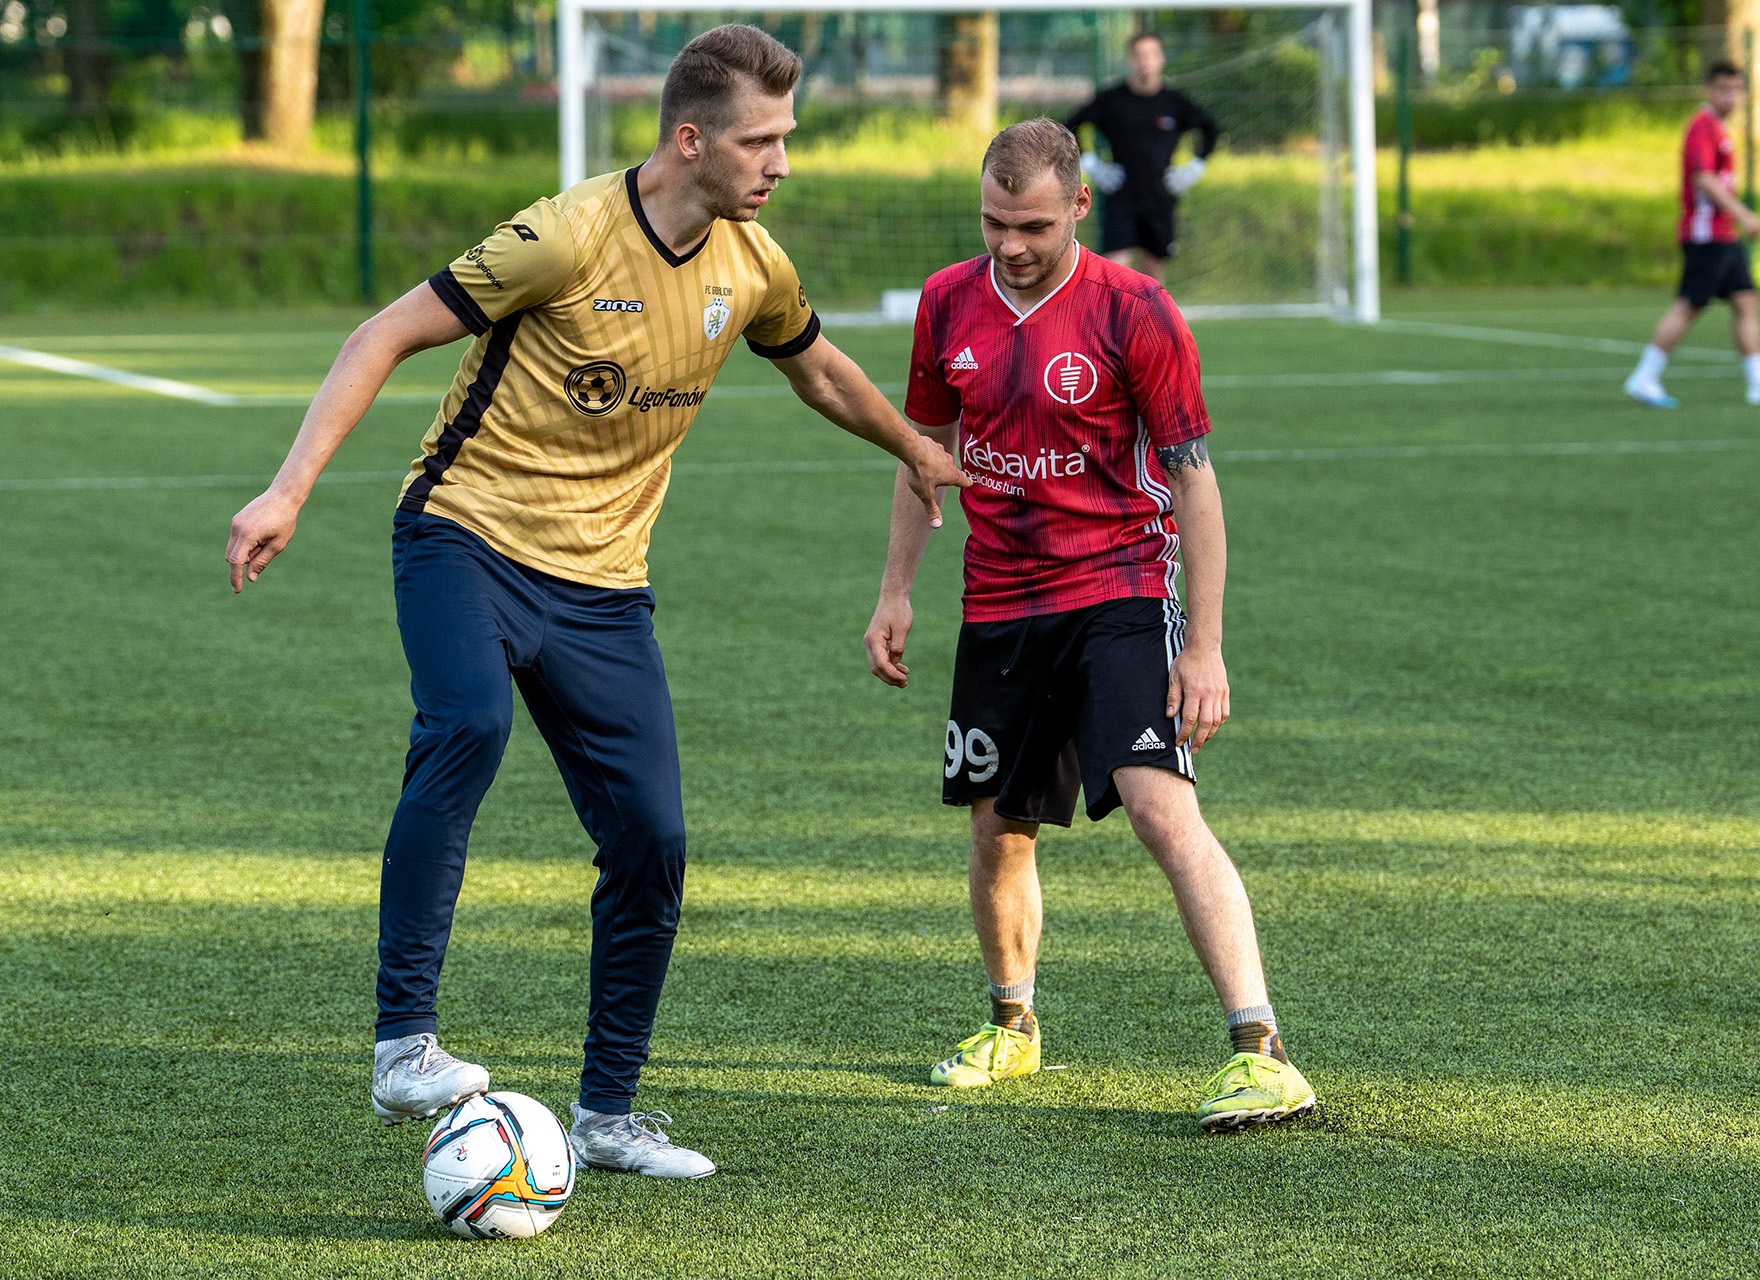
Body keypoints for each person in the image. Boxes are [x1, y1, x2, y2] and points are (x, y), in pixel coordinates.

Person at [225, 25, 966, 1179]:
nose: (781, 163)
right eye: (760, 141)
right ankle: (403, 1042)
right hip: (465, 534)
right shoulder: (564, 236)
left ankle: (608, 1113)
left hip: (605, 587)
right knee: (469, 721)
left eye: (788, 138)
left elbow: (817, 366)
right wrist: (288, 488)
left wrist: (912, 446)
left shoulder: (753, 264)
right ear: (690, 140)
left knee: (653, 837)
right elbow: (385, 331)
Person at [862, 119, 1315, 1133]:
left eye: (1031, 225)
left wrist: (1205, 644)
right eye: (993, 222)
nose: (1009, 244)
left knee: (1160, 808)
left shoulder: (1135, 308)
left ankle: (1262, 1051)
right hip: (999, 600)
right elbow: (924, 453)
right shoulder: (946, 301)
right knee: (998, 825)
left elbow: (1195, 482)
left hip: (1119, 590)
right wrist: (896, 590)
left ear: (1078, 205)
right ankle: (1012, 1027)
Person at [1626, 60, 1760, 409]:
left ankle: (1757, 383)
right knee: (1689, 305)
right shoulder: (1701, 126)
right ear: (1708, 90)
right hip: (1706, 234)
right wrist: (1744, 213)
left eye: (1736, 90)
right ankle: (1645, 376)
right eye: (1723, 89)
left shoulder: (1720, 127)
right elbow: (1704, 179)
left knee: (1745, 301)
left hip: (1724, 234)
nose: (1731, 97)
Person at [1064, 32, 1219, 283]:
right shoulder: (1112, 100)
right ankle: (1111, 311)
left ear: (1161, 58)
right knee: (1113, 270)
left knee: (1153, 275)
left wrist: (1194, 166)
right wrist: (1092, 165)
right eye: (1138, 55)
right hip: (1121, 194)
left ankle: (1151, 311)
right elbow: (1071, 125)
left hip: (1160, 195)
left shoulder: (1174, 102)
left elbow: (1211, 129)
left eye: (1151, 55)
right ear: (1129, 60)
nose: (1144, 61)